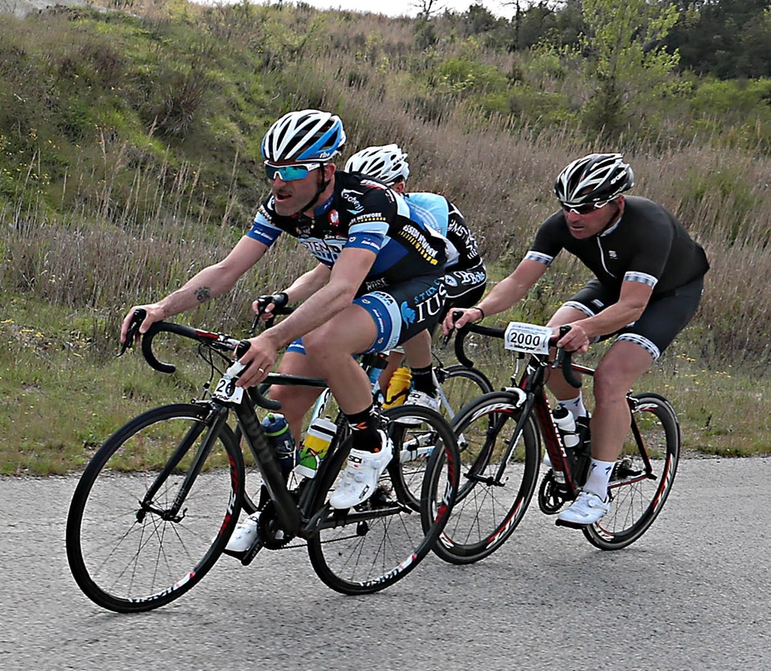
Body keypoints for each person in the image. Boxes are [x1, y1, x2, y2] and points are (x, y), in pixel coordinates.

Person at [122, 109, 454, 551]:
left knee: (325, 341)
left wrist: (274, 338)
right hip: (362, 283)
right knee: (283, 407)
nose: (280, 182)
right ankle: (280, 508)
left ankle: (372, 444)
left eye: (294, 170)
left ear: (326, 172)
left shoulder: (368, 201)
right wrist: (162, 307)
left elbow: (340, 289)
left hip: (422, 281)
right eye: (273, 170)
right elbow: (226, 271)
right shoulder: (282, 206)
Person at [443, 153, 707, 526]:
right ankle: (578, 424)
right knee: (547, 345)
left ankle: (597, 489)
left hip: (668, 297)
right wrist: (478, 311)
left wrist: (586, 329)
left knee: (610, 378)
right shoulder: (561, 225)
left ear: (616, 203)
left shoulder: (649, 225)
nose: (573, 216)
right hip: (613, 284)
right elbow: (519, 281)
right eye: (567, 206)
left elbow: (633, 305)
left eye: (585, 207)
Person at [343, 143, 487, 410]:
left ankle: (423, 388)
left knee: (410, 305)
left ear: (399, 188)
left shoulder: (429, 209)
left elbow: (424, 270)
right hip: (414, 274)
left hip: (460, 275)